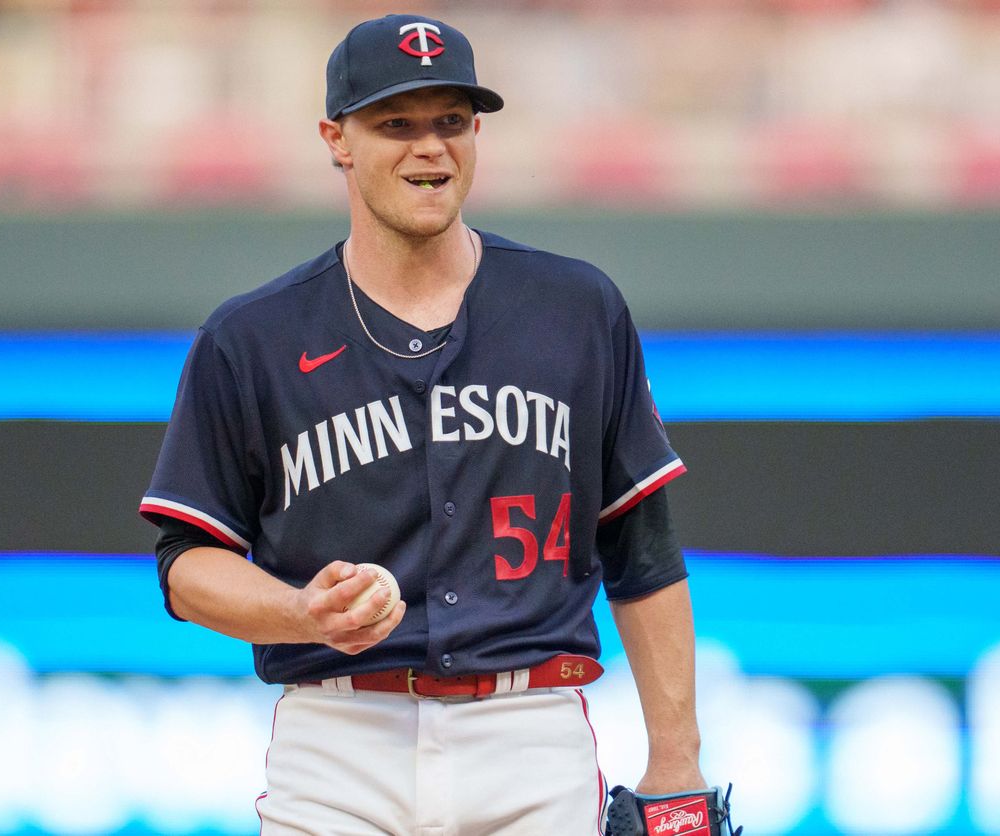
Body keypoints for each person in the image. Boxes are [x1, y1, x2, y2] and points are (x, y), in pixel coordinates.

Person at [141, 13, 705, 834]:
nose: (429, 147)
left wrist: (677, 763)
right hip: (338, 735)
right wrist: (300, 614)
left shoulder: (575, 308)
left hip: (529, 730)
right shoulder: (252, 338)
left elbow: (641, 545)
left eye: (450, 121)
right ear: (337, 138)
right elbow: (187, 563)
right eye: (394, 124)